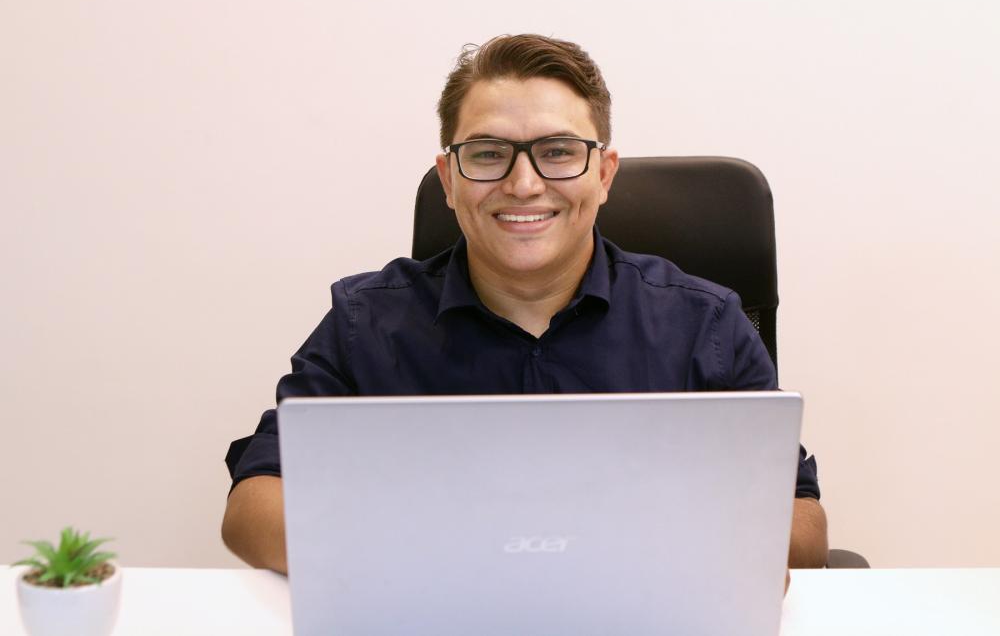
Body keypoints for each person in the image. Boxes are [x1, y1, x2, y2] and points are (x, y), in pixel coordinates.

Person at [221, 34, 828, 578]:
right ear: (449, 179)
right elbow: (253, 505)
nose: (524, 184)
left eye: (558, 151)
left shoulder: (704, 324)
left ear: (604, 174)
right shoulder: (366, 323)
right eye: (488, 153)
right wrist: (422, 560)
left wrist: (651, 556)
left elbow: (802, 526)